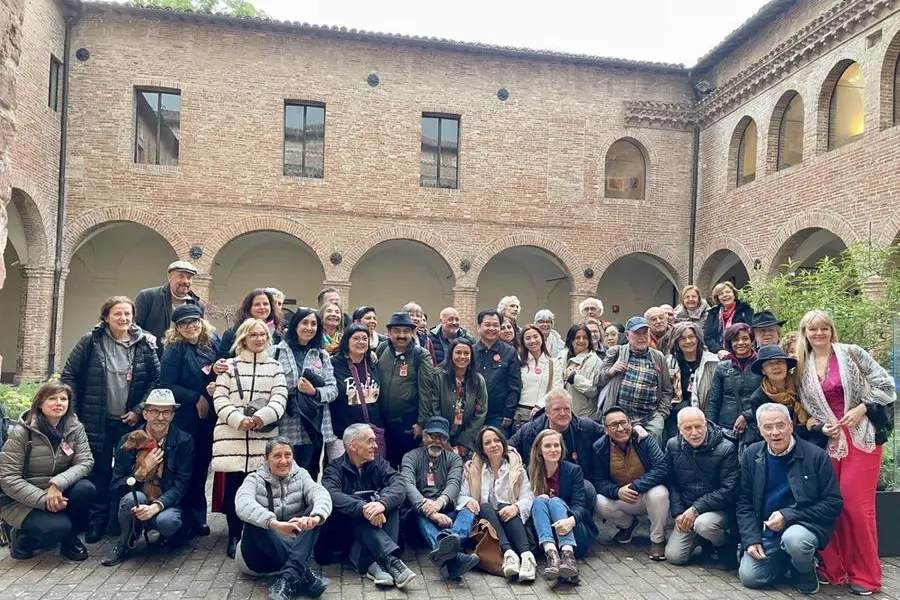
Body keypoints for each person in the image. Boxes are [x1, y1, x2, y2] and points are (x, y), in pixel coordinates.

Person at [795, 310, 896, 595]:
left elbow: (885, 384)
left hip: (862, 437)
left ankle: (866, 575)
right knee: (831, 505)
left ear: (831, 330)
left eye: (824, 328)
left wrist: (862, 407)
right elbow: (805, 408)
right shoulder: (802, 365)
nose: (819, 334)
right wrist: (819, 426)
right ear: (805, 333)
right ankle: (834, 569)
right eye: (813, 329)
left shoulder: (851, 353)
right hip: (830, 443)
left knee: (856, 507)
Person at [60, 295, 160, 543]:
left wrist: (138, 409)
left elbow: (156, 381)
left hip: (130, 422)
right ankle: (97, 521)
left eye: (128, 314)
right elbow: (69, 375)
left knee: (127, 471)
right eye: (118, 314)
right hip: (97, 420)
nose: (124, 318)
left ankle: (120, 520)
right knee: (99, 471)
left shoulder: (144, 343)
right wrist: (74, 411)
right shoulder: (91, 341)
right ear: (106, 317)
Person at [736, 403, 842, 595]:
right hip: (768, 530)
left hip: (804, 525)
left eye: (780, 425)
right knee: (750, 577)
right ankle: (788, 560)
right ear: (760, 430)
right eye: (768, 427)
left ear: (791, 425)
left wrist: (788, 515)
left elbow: (833, 503)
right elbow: (744, 501)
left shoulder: (815, 455)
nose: (775, 432)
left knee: (795, 540)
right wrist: (750, 539)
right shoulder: (752, 454)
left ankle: (804, 568)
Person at [212, 318, 288, 558]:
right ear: (244, 337)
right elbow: (220, 398)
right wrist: (237, 419)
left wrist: (261, 417)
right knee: (235, 488)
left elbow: (280, 398)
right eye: (253, 335)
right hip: (231, 436)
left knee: (259, 489)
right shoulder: (229, 367)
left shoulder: (275, 367)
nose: (258, 339)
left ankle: (253, 532)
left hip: (261, 438)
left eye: (263, 335)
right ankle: (234, 534)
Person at [0, 381, 95, 561]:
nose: (58, 403)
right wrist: (44, 500)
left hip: (58, 492)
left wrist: (57, 484)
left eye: (63, 399)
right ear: (40, 403)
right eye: (52, 398)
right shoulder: (22, 432)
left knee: (86, 489)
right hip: (22, 500)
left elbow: (85, 461)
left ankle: (69, 538)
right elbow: (8, 478)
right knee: (58, 528)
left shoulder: (75, 428)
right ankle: (22, 535)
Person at [101, 389, 194, 566]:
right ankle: (124, 542)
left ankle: (166, 537)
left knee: (168, 521)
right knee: (130, 499)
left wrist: (157, 506)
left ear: (173, 415)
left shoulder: (184, 441)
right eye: (154, 412)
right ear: (144, 413)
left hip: (165, 500)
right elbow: (115, 486)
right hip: (137, 497)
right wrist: (140, 475)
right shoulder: (129, 439)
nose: (160, 417)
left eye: (166, 412)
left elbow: (181, 485)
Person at [234, 437, 332, 600]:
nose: (284, 461)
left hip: (290, 546)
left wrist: (314, 518)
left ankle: (287, 579)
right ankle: (304, 574)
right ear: (265, 459)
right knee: (254, 521)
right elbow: (242, 503)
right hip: (257, 557)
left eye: (288, 455)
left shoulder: (301, 474)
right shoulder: (254, 479)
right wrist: (274, 524)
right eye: (277, 456)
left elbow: (320, 493)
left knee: (315, 513)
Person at [320, 424, 415, 589]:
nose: (376, 446)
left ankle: (373, 565)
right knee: (355, 508)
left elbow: (399, 484)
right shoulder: (333, 469)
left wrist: (381, 504)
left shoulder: (378, 463)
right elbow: (332, 495)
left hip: (374, 530)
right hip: (345, 536)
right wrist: (364, 508)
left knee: (389, 504)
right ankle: (391, 560)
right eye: (370, 441)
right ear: (353, 445)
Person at [159, 304, 223, 538]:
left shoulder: (212, 342)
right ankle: (182, 518)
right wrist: (195, 397)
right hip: (186, 418)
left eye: (194, 321)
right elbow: (166, 384)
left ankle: (198, 517)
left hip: (209, 417)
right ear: (177, 328)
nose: (191, 326)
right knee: (185, 466)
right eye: (184, 323)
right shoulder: (174, 350)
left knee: (202, 468)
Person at [399, 416, 480, 580]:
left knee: (468, 507)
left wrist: (439, 503)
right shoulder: (410, 457)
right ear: (424, 436)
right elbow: (407, 485)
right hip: (419, 518)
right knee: (418, 513)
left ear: (447, 440)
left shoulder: (454, 459)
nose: (437, 441)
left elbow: (454, 484)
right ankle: (446, 546)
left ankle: (449, 543)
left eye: (442, 437)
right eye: (433, 436)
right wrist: (430, 510)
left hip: (445, 514)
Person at [457, 426, 536, 582]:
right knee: (486, 505)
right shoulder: (473, 469)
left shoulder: (516, 468)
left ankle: (527, 557)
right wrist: (469, 500)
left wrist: (516, 507)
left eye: (497, 440)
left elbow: (528, 496)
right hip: (487, 524)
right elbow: (461, 496)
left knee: (505, 506)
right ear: (482, 449)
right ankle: (509, 554)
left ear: (503, 443)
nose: (493, 445)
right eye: (488, 442)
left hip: (513, 522)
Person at [590, 406, 669, 561]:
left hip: (647, 493)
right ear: (605, 429)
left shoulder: (644, 439)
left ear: (630, 423)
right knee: (598, 501)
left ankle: (657, 540)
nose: (620, 428)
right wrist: (617, 492)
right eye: (614, 425)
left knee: (659, 493)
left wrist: (636, 486)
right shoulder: (599, 448)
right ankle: (628, 525)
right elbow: (598, 481)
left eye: (624, 422)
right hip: (624, 496)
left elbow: (662, 468)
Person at [510, 388, 604, 515]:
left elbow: (611, 433)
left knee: (587, 489)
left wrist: (636, 430)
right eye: (557, 409)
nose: (563, 413)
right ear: (547, 412)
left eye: (567, 409)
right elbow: (508, 448)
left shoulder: (585, 426)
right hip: (541, 480)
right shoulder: (530, 430)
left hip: (575, 482)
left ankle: (580, 525)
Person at [664, 408, 739, 567]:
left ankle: (723, 543)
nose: (694, 432)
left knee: (704, 525)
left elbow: (729, 489)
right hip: (687, 509)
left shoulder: (727, 448)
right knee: (674, 557)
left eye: (698, 426)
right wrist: (678, 512)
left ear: (706, 424)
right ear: (679, 429)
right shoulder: (672, 445)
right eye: (688, 428)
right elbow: (671, 482)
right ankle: (701, 540)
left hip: (718, 509)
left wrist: (696, 509)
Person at [270, 308, 338, 479]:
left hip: (313, 423)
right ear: (295, 325)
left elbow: (333, 390)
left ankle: (308, 506)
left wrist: (314, 391)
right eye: (305, 323)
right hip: (286, 421)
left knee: (309, 474)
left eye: (314, 324)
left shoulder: (322, 355)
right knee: (283, 470)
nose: (309, 327)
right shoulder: (276, 352)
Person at [528, 428, 594, 579]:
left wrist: (571, 520)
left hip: (574, 533)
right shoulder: (530, 471)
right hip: (545, 534)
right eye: (547, 446)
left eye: (556, 445)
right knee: (539, 501)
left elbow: (580, 506)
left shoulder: (573, 470)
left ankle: (568, 555)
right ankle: (552, 556)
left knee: (556, 502)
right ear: (539, 450)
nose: (553, 450)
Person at [598, 316, 673, 446]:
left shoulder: (658, 357)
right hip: (620, 415)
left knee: (653, 449)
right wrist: (610, 371)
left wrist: (661, 415)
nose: (642, 337)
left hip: (650, 417)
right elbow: (597, 380)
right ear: (627, 335)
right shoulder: (616, 352)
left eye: (645, 333)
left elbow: (667, 390)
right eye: (637, 333)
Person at [377, 312, 436, 466]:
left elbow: (427, 392)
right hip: (383, 422)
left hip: (408, 424)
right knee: (384, 466)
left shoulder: (421, 355)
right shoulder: (381, 350)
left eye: (406, 331)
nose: (401, 335)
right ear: (389, 333)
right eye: (397, 331)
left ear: (413, 332)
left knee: (406, 467)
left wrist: (421, 423)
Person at [330, 323, 383, 461]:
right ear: (347, 341)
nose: (361, 342)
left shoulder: (373, 363)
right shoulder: (334, 364)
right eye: (356, 338)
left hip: (371, 433)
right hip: (343, 435)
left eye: (365, 338)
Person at [706, 324, 762, 449]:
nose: (740, 343)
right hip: (726, 428)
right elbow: (714, 401)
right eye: (736, 340)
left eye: (745, 338)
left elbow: (768, 397)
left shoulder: (761, 365)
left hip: (755, 427)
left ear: (752, 340)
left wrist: (747, 416)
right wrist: (710, 427)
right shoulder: (722, 367)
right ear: (730, 343)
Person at [746, 345, 810, 447]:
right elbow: (765, 432)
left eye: (779, 362)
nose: (776, 367)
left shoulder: (801, 385)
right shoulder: (758, 398)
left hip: (812, 439)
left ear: (786, 365)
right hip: (781, 444)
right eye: (769, 364)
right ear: (763, 370)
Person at [134, 260, 204, 352]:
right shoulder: (147, 297)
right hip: (154, 356)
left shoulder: (197, 304)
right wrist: (147, 336)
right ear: (169, 277)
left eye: (189, 277)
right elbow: (134, 325)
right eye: (181, 276)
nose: (186, 281)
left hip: (184, 359)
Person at [433, 338, 488, 455]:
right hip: (439, 434)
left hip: (466, 437)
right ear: (450, 355)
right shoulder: (438, 377)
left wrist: (465, 441)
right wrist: (443, 438)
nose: (462, 356)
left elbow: (481, 413)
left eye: (467, 353)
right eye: (458, 353)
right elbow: (434, 409)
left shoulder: (478, 380)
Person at [665, 321, 719, 438]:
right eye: (682, 339)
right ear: (676, 342)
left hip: (704, 415)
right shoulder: (669, 362)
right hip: (675, 416)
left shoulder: (712, 362)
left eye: (691, 337)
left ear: (698, 338)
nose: (688, 341)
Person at [474, 309, 521, 434]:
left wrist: (508, 412)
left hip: (498, 416)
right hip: (472, 415)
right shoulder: (471, 352)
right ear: (479, 327)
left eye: (495, 325)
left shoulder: (509, 352)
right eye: (487, 325)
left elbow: (515, 386)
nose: (491, 328)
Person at [516, 324, 563, 429]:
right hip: (521, 415)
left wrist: (540, 405)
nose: (532, 341)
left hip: (543, 413)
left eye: (535, 336)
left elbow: (557, 388)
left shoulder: (553, 363)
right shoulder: (518, 362)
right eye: (528, 338)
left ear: (542, 338)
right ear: (523, 342)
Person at [217, 289, 283, 360]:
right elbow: (222, 361)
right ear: (248, 308)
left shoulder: (278, 336)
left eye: (265, 304)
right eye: (257, 304)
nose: (262, 307)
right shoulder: (232, 334)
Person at [558, 324, 602, 419]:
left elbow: (593, 390)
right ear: (571, 339)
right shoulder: (561, 356)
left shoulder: (595, 361)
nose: (581, 341)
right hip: (560, 414)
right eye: (577, 337)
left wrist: (574, 378)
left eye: (585, 338)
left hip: (584, 416)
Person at [704, 281, 753, 358]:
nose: (725, 295)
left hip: (741, 353)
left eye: (728, 292)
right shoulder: (713, 313)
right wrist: (719, 350)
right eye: (721, 294)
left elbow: (751, 331)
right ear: (718, 298)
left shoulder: (745, 310)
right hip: (719, 355)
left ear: (734, 294)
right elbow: (707, 337)